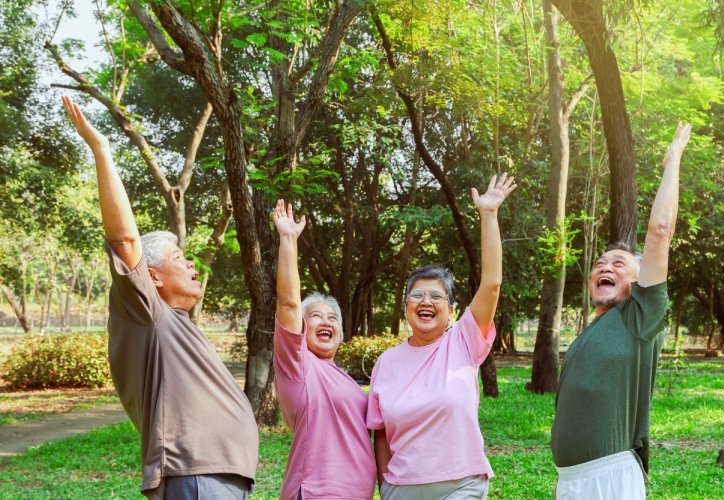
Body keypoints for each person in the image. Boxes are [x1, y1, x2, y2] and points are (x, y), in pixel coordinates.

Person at [62, 96, 259, 499]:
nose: (191, 265)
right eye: (178, 258)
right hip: (195, 477)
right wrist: (102, 149)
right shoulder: (148, 312)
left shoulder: (177, 323)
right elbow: (123, 238)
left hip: (214, 479)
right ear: (151, 277)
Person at [551, 122, 692, 499]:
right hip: (572, 481)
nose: (605, 268)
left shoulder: (639, 318)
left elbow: (660, 229)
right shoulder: (592, 330)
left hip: (610, 477)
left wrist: (673, 159)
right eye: (599, 264)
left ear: (639, 280)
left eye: (618, 264)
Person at [366, 173, 517, 500]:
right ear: (406, 306)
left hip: (461, 484)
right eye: (417, 295)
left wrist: (489, 215)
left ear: (451, 309)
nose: (426, 302)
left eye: (436, 297)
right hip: (401, 488)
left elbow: (491, 284)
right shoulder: (387, 362)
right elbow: (380, 432)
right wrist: (385, 487)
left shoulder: (463, 340)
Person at [271, 199, 376, 499]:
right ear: (301, 329)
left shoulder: (344, 378)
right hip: (317, 491)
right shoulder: (298, 365)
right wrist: (289, 239)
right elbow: (289, 303)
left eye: (332, 318)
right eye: (315, 316)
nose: (325, 321)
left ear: (341, 334)